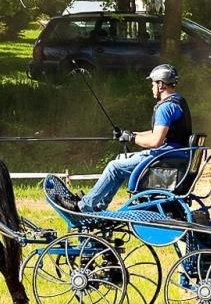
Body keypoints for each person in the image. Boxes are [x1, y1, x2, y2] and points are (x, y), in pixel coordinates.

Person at [56, 64, 193, 213]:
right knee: (119, 159)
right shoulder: (178, 102)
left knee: (114, 167)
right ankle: (98, 205)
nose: (151, 87)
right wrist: (129, 134)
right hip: (173, 156)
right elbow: (157, 132)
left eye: (152, 84)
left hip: (165, 159)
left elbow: (155, 141)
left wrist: (133, 138)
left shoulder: (165, 108)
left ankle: (82, 206)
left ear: (160, 85)